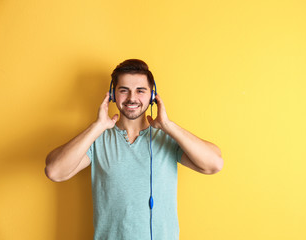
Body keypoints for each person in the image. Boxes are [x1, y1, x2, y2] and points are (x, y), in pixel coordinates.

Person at [45, 59, 223, 240]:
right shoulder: (97, 139)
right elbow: (55, 171)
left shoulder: (167, 138)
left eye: (140, 91)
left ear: (152, 96)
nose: (132, 98)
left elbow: (214, 164)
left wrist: (168, 126)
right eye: (124, 90)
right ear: (113, 95)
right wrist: (97, 127)